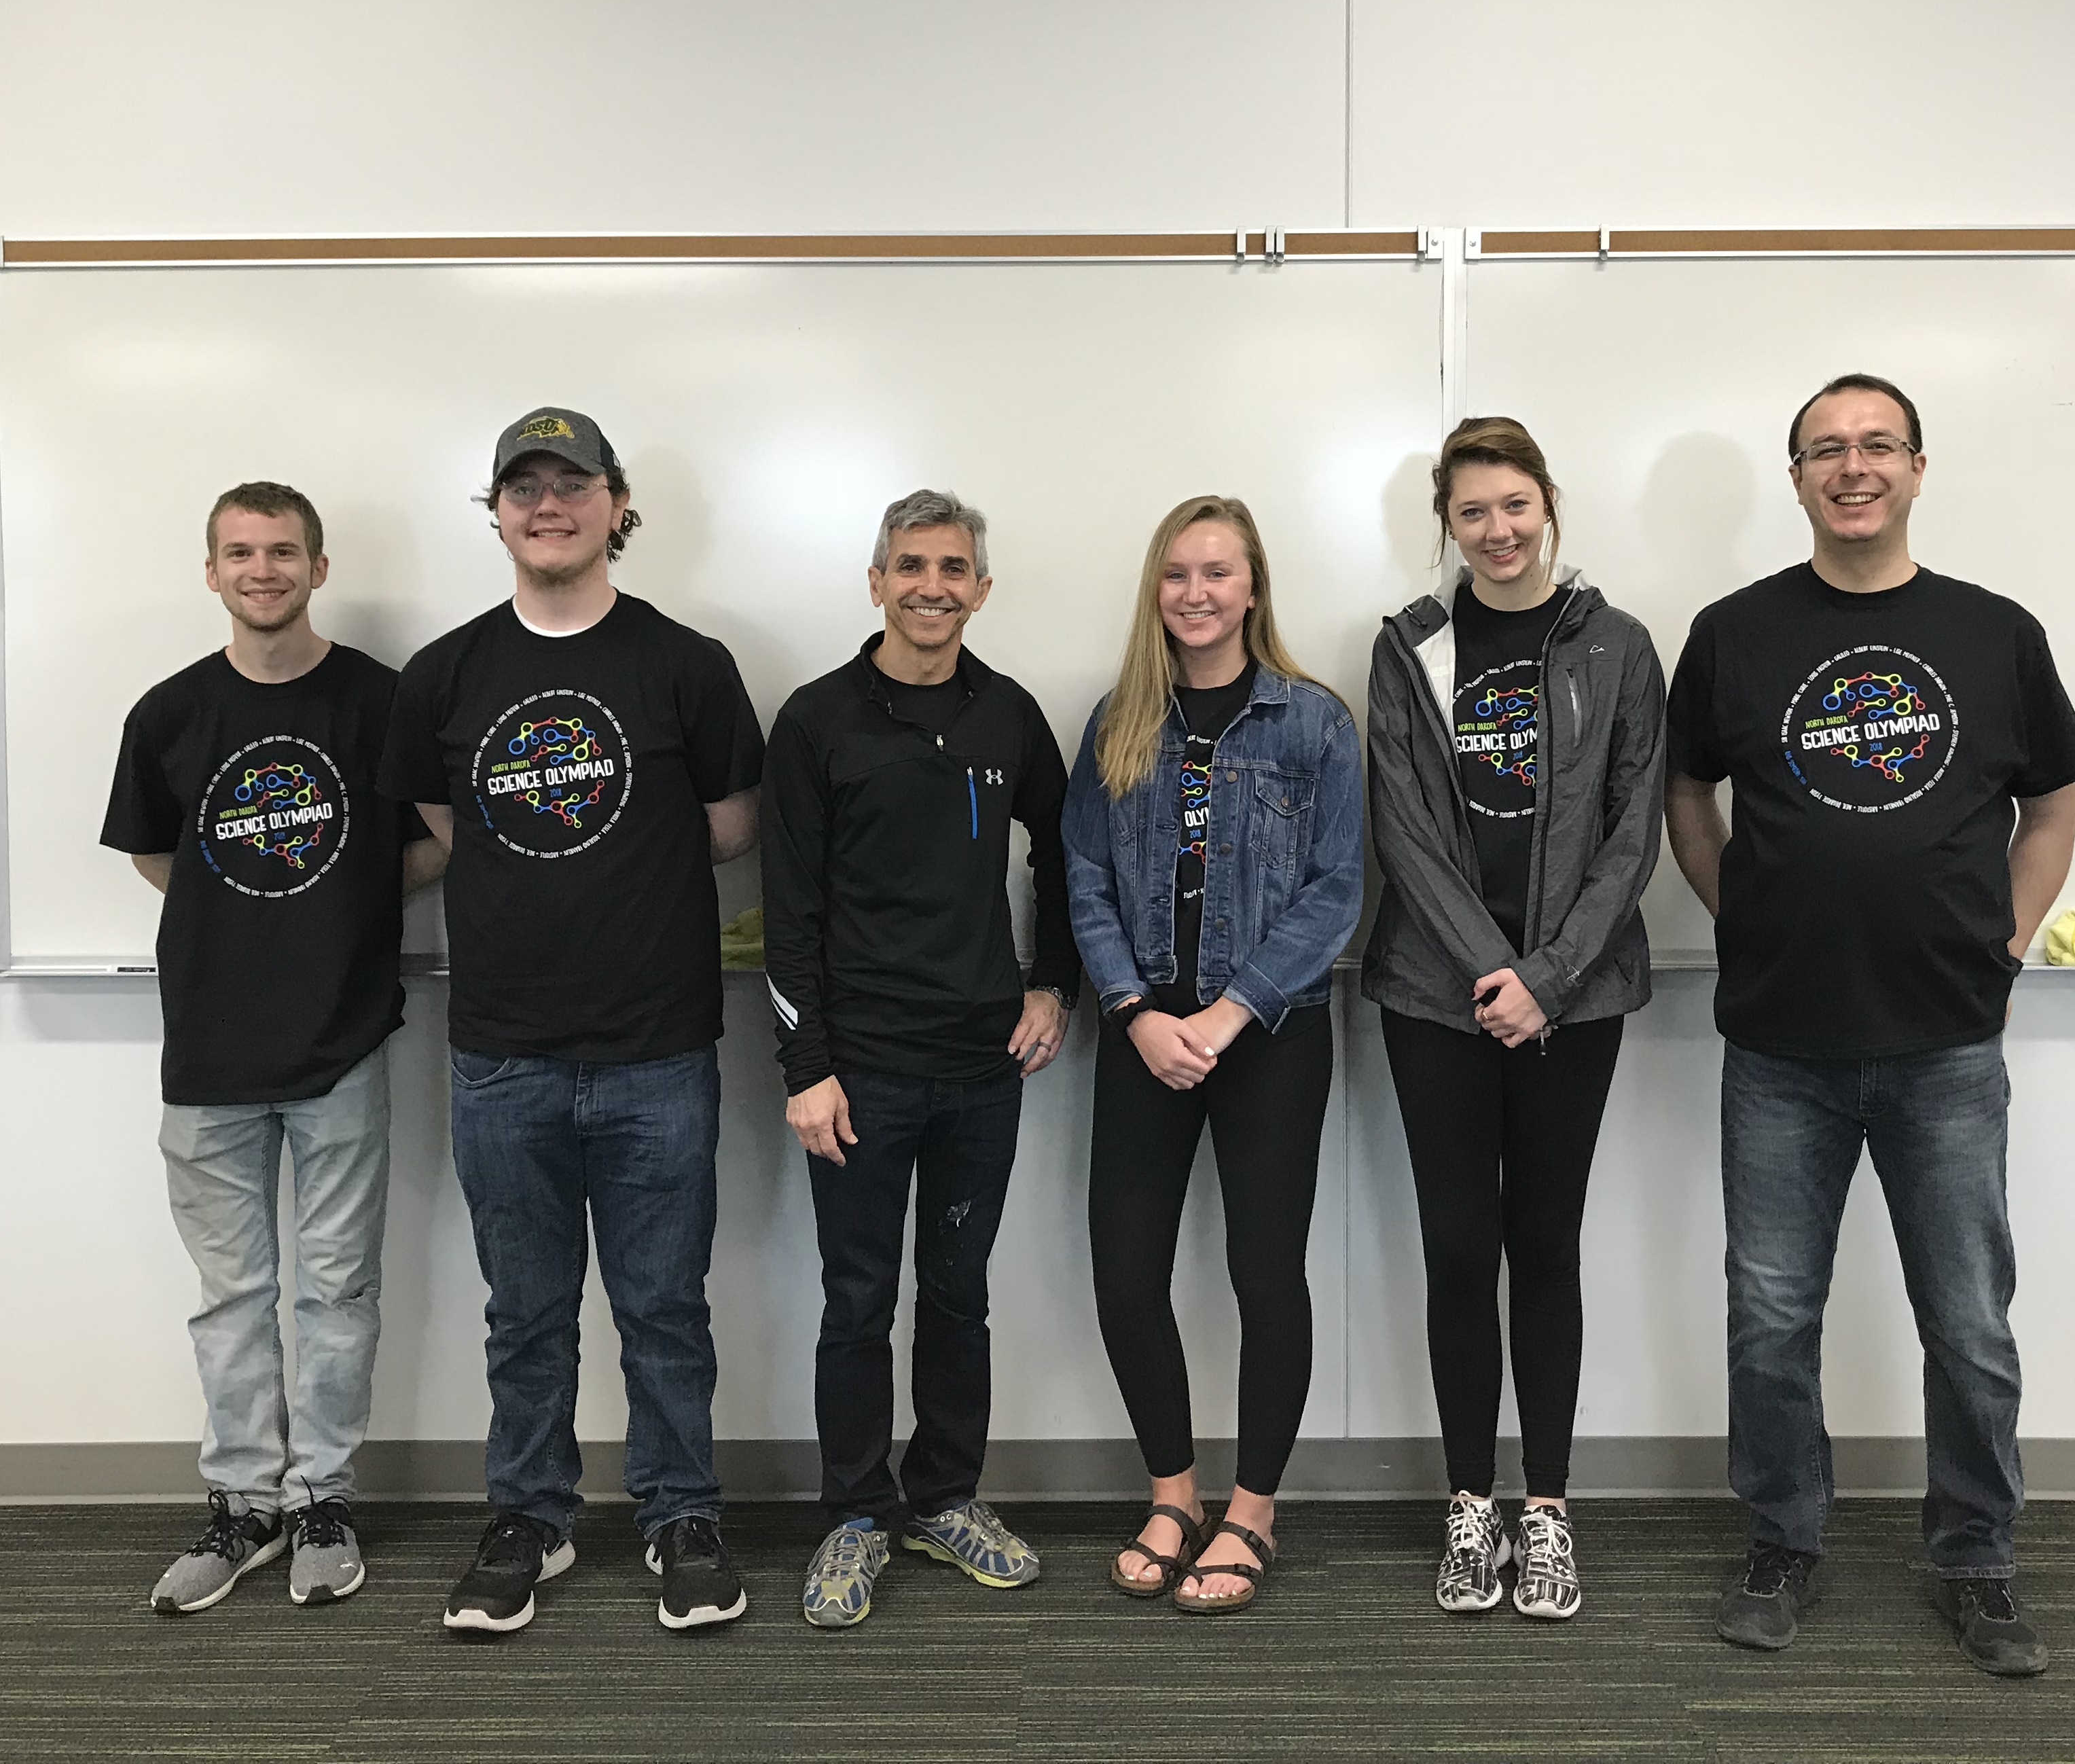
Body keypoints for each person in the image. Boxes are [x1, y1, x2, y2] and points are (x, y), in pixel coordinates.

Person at [1666, 373, 2075, 1678]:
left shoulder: (1995, 632)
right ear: (1796, 477)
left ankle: (1978, 1561)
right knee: (1770, 1317)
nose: (1853, 468)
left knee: (1969, 1323)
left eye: (1878, 446)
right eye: (1826, 450)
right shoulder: (1733, 633)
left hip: (1945, 1043)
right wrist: (1748, 919)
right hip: (1779, 1044)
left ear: (1916, 468)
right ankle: (1781, 1540)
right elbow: (1687, 794)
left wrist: (2008, 942)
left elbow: (2051, 806)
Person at [380, 408, 765, 1636]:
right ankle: (530, 1519)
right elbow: (447, 833)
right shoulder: (443, 675)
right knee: (526, 1314)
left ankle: (681, 1517)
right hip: (503, 1053)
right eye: (525, 487)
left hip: (659, 1050)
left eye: (573, 484)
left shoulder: (689, 664)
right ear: (496, 512)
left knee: (665, 1308)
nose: (549, 506)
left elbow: (731, 829)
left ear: (616, 504)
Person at [104, 481, 441, 1615]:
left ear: (318, 567)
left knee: (338, 1288)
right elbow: (160, 857)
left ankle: (322, 1502)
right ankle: (244, 1505)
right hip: (208, 1049)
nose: (263, 570)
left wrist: (340, 902)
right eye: (241, 553)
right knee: (232, 1295)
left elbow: (437, 841)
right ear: (211, 572)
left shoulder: (382, 702)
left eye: (283, 551)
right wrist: (251, 907)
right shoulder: (167, 713)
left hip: (343, 1039)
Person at [1362, 418, 1667, 1620]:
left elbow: (1635, 829)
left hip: (1574, 1002)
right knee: (1457, 1250)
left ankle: (1546, 1509)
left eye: (1515, 506)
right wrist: (1496, 971)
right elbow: (1403, 828)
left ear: (1548, 505)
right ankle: (1468, 1505)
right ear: (1447, 522)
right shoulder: (1408, 647)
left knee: (1545, 1246)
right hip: (1433, 998)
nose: (1497, 531)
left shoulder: (1618, 645)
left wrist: (1550, 975)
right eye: (1472, 512)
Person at [761, 489, 1081, 1630]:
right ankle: (856, 1513)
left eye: (952, 569)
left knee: (957, 1295)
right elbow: (788, 907)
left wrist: (1053, 982)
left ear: (980, 590)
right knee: (857, 1301)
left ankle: (944, 1497)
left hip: (982, 1068)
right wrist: (805, 1067)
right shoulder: (817, 721)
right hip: (860, 1074)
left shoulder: (1010, 717)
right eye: (910, 566)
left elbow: (1067, 852)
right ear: (876, 581)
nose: (930, 587)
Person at [1064, 497, 1363, 1615]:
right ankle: (1173, 1495)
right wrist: (1136, 1010)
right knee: (1126, 1269)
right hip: (1144, 1032)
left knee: (1264, 1273)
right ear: (1158, 589)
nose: (1197, 593)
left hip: (1269, 1036)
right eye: (1178, 573)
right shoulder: (1118, 721)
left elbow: (1337, 887)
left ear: (1253, 588)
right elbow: (1083, 877)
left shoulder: (1314, 723)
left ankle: (1253, 1511)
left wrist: (1230, 1013)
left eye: (1219, 573)